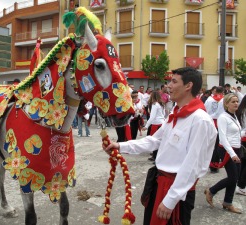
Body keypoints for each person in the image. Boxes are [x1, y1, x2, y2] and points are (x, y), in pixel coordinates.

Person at [103, 67, 217, 225]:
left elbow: (193, 166)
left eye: (174, 81)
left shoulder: (200, 120)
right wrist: (120, 146)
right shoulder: (175, 114)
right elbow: (154, 141)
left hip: (176, 191)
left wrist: (170, 200)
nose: (169, 85)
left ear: (188, 86)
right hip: (159, 183)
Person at [204, 93, 242, 213]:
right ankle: (211, 191)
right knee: (233, 177)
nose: (236, 103)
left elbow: (236, 133)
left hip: (237, 148)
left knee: (234, 178)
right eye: (233, 102)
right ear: (226, 104)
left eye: (237, 101)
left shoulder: (234, 116)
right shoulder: (223, 117)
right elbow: (223, 138)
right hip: (227, 150)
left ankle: (227, 202)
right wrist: (232, 154)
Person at [143, 90, 165, 161]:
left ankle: (155, 156)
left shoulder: (155, 104)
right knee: (159, 140)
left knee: (154, 140)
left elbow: (152, 117)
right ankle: (156, 154)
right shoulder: (161, 104)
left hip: (156, 123)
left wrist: (146, 126)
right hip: (161, 123)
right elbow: (163, 114)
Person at [235, 95, 246, 196]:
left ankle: (240, 184)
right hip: (244, 137)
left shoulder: (240, 111)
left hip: (241, 139)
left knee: (243, 163)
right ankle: (241, 186)